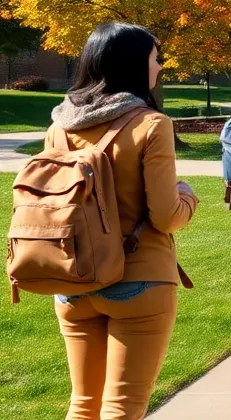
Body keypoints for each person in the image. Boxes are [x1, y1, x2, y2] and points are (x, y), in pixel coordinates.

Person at [47, 23, 198, 418]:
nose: (160, 66)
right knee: (123, 407)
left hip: (72, 277)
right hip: (138, 278)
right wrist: (188, 197)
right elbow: (166, 217)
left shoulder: (58, 127)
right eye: (155, 58)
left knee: (83, 405)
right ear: (132, 64)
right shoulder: (151, 125)